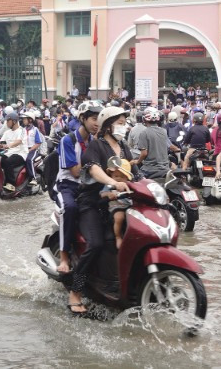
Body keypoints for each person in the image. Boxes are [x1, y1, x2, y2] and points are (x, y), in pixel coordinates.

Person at [70, 106, 136, 315]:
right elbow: (93, 168)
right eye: (120, 123)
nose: (124, 127)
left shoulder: (124, 147)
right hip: (92, 202)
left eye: (125, 123)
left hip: (117, 203)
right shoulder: (97, 146)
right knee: (96, 243)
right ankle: (76, 292)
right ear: (108, 125)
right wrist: (111, 182)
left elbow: (136, 173)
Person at [55, 101, 102, 274]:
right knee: (70, 208)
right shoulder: (68, 140)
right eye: (93, 119)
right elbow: (75, 172)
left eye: (100, 120)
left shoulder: (94, 140)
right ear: (82, 118)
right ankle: (64, 257)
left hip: (89, 187)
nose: (97, 123)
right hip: (67, 186)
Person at [102, 158, 134, 249]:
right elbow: (102, 194)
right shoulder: (109, 185)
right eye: (115, 176)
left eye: (122, 177)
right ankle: (118, 236)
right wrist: (109, 194)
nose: (118, 179)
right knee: (119, 217)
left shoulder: (130, 185)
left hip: (129, 206)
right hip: (116, 206)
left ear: (127, 178)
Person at [135, 108, 170, 178]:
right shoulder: (164, 131)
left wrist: (137, 161)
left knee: (135, 178)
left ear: (144, 119)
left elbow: (144, 153)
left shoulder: (144, 133)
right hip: (165, 168)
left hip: (149, 169)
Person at [0, 112, 28, 191]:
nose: (6, 123)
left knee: (8, 162)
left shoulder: (22, 131)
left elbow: (18, 141)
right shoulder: (7, 132)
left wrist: (8, 145)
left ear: (14, 121)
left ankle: (11, 184)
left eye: (8, 121)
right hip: (9, 153)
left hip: (21, 153)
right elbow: (1, 142)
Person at [21, 111, 43, 185]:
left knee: (29, 160)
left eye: (25, 119)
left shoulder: (35, 129)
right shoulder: (23, 130)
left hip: (33, 150)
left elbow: (38, 143)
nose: (23, 120)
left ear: (30, 120)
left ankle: (34, 177)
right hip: (23, 149)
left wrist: (30, 150)